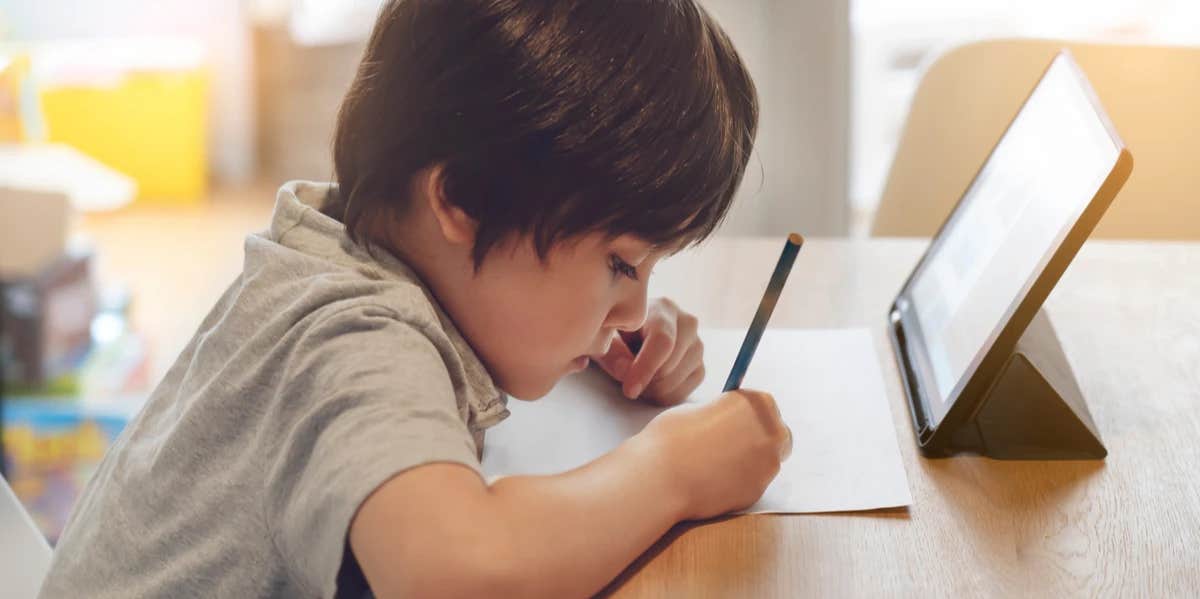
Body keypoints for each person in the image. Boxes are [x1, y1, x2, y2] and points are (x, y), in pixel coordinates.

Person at [40, 1, 792, 597]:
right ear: (463, 196)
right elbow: (456, 571)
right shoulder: (351, 336)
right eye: (622, 265)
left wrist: (603, 331)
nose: (635, 308)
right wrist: (674, 470)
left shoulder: (345, 249)